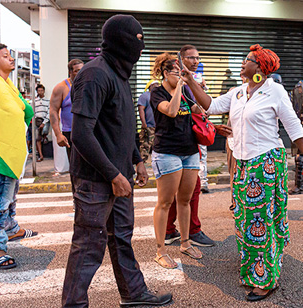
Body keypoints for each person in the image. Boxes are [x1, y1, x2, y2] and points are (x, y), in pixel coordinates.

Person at [184, 44, 303, 301]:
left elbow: (293, 125)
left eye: (248, 60)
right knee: (245, 219)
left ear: (260, 68)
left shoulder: (274, 91)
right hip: (243, 163)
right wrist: (190, 80)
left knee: (261, 222)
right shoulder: (238, 92)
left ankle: (265, 279)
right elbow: (210, 105)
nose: (243, 63)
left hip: (266, 162)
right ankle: (256, 266)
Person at [61, 15, 172, 307]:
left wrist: (137, 160)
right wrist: (113, 174)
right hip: (97, 179)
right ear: (121, 39)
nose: (141, 44)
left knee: (121, 237)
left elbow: (122, 126)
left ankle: (134, 295)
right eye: (137, 38)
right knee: (88, 246)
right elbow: (81, 135)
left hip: (120, 176)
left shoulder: (121, 75)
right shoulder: (94, 74)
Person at [0, 43, 38, 269]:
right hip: (0, 151)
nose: (11, 59)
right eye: (5, 56)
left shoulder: (5, 82)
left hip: (11, 150)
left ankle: (11, 230)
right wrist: (23, 109)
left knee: (9, 197)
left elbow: (23, 108)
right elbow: (17, 110)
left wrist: (23, 109)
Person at [149, 51, 204, 267]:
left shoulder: (186, 92)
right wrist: (180, 87)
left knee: (185, 199)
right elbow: (171, 112)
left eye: (182, 72)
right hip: (167, 152)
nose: (180, 74)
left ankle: (185, 242)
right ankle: (161, 250)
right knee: (165, 202)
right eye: (176, 71)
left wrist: (199, 94)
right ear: (165, 72)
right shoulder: (157, 91)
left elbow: (198, 110)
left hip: (189, 151)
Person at [179, 45, 211, 194]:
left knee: (201, 154)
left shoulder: (199, 78)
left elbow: (206, 106)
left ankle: (202, 182)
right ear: (182, 59)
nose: (195, 61)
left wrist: (202, 89)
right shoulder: (175, 76)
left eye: (197, 58)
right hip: (180, 124)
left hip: (197, 123)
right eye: (191, 57)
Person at [50, 58, 83, 161]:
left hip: (88, 130)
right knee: (75, 166)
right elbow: (53, 111)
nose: (80, 73)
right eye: (76, 70)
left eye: (82, 70)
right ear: (70, 72)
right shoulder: (61, 87)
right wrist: (58, 134)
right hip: (71, 132)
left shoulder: (88, 84)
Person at [137, 81, 158, 162]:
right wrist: (143, 123)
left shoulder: (158, 95)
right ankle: (143, 161)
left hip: (158, 125)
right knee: (146, 144)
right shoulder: (145, 96)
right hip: (149, 125)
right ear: (150, 86)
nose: (157, 86)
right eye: (156, 85)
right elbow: (141, 109)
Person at [34, 84, 50, 162]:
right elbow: (33, 112)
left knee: (44, 132)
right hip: (37, 121)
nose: (40, 92)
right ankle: (40, 155)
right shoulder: (34, 101)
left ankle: (45, 137)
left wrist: (44, 122)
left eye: (41, 90)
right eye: (38, 90)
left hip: (45, 121)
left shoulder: (47, 101)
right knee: (37, 139)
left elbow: (49, 112)